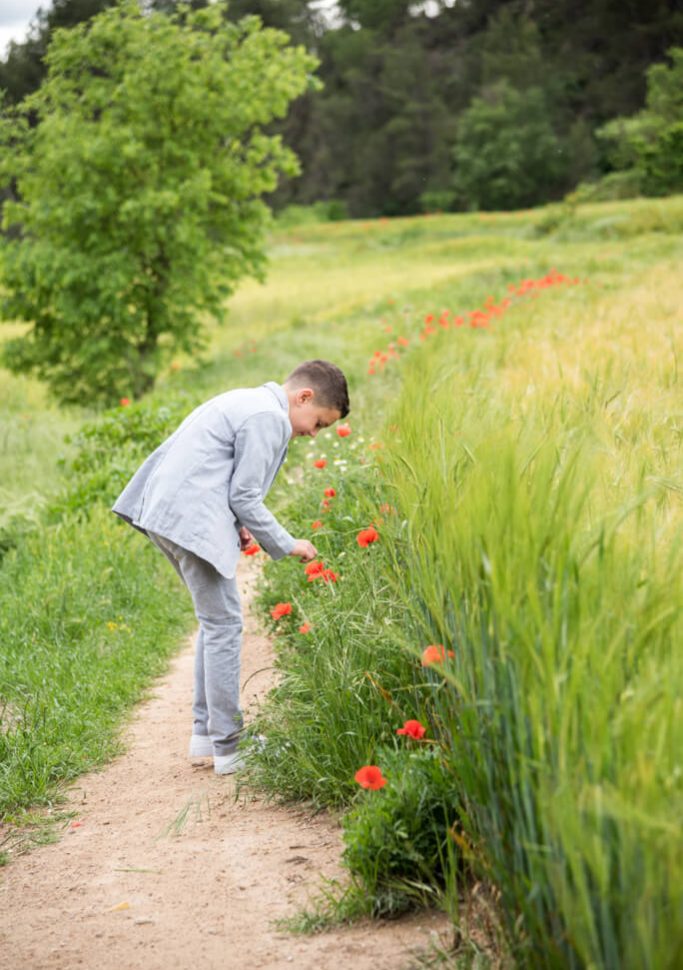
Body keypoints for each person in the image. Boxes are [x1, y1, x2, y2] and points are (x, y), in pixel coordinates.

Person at [111, 359, 350, 775]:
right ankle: (231, 747)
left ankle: (207, 734)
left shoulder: (246, 400)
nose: (313, 434)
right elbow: (245, 494)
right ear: (304, 397)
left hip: (167, 513)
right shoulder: (269, 418)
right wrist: (288, 543)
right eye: (319, 424)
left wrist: (234, 528)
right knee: (224, 625)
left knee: (214, 622)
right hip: (188, 518)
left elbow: (215, 469)